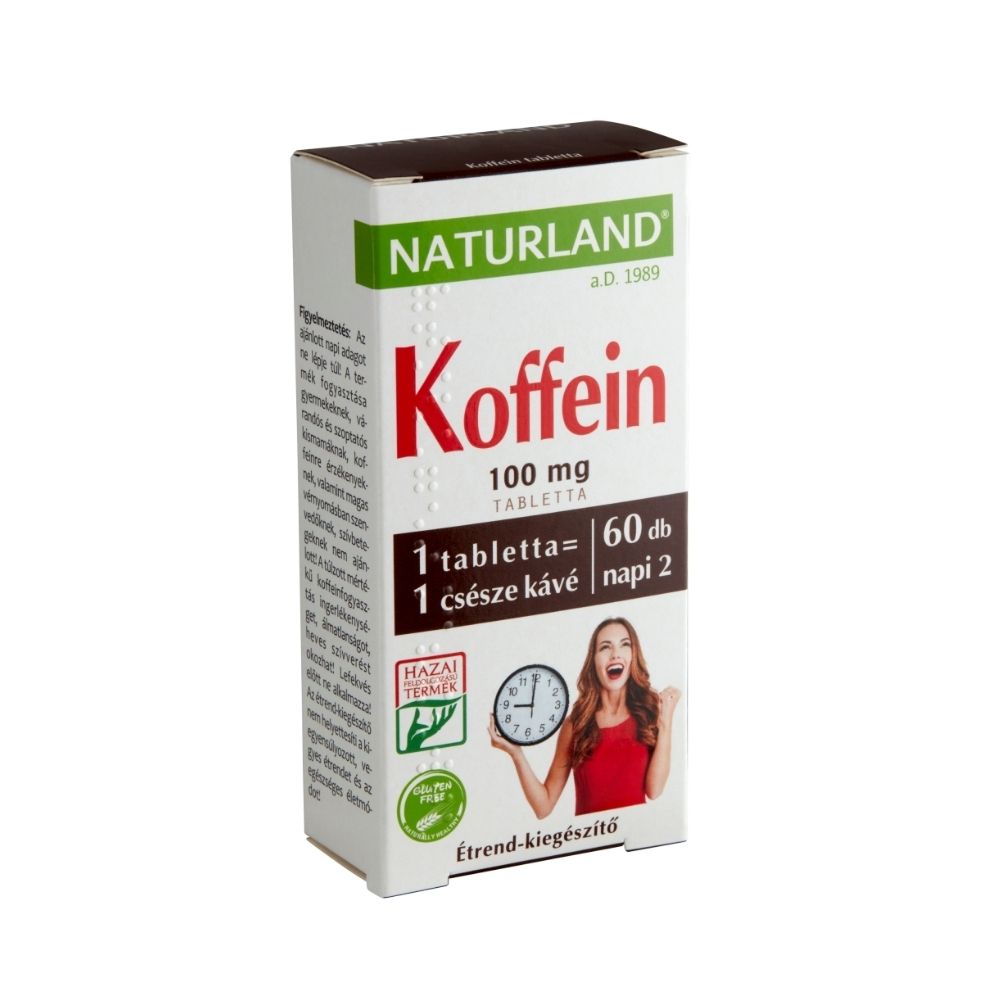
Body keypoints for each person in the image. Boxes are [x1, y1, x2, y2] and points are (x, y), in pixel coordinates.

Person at [489, 616, 681, 817]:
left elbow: (655, 791)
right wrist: (516, 753)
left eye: (625, 645)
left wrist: (666, 722)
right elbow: (543, 807)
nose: (615, 654)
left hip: (635, 829)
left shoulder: (649, 712)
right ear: (593, 661)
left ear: (633, 655)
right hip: (591, 833)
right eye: (605, 647)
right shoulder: (576, 724)